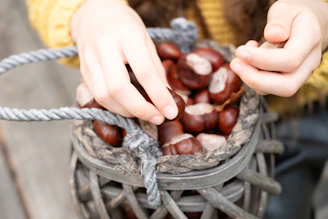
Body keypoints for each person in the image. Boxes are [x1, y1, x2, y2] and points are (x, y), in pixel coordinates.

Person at [26, 0, 328, 218]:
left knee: (280, 205)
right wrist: (88, 11)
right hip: (137, 140)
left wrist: (319, 14)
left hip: (296, 117)